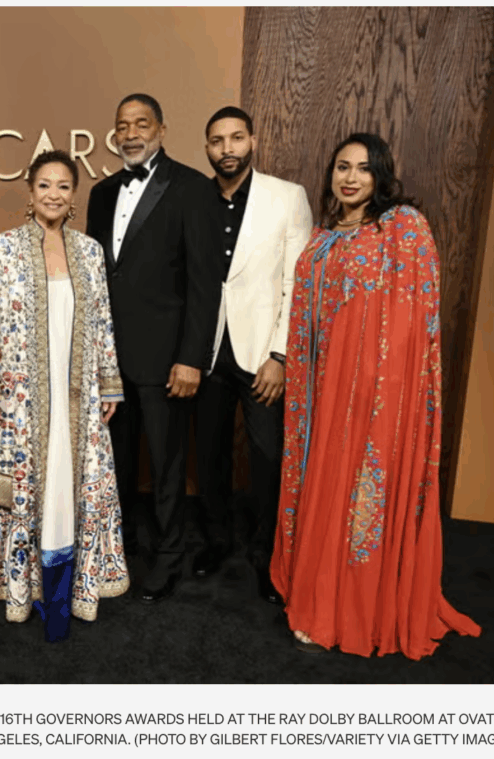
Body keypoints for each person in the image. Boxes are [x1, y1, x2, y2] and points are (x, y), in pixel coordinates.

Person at [271, 132, 481, 658]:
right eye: (342, 166)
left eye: (363, 168)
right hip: (322, 396)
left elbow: (417, 320)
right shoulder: (322, 237)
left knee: (358, 494)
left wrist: (382, 390)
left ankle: (349, 609)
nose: (350, 177)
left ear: (381, 174)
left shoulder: (402, 227)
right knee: (324, 487)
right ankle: (316, 596)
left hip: (376, 395)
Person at [0, 150, 127, 641]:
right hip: (18, 399)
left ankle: (68, 593)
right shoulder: (1, 250)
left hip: (78, 394)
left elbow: (102, 320)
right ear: (30, 192)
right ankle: (22, 590)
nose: (53, 194)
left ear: (73, 196)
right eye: (44, 185)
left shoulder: (89, 251)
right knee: (21, 488)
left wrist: (109, 381)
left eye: (63, 186)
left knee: (70, 484)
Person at [85, 93, 224, 603]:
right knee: (115, 464)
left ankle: (169, 558)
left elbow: (205, 283)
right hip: (109, 361)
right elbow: (96, 279)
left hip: (167, 360)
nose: (131, 133)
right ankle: (116, 551)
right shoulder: (101, 193)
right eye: (122, 125)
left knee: (167, 468)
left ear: (161, 129)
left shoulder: (192, 188)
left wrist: (191, 358)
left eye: (141, 124)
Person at [192, 107, 313, 604]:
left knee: (267, 458)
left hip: (263, 352)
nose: (228, 149)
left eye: (236, 138)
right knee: (210, 455)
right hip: (206, 351)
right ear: (207, 147)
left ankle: (266, 558)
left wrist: (280, 356)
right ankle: (217, 542)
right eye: (217, 140)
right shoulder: (194, 197)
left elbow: (297, 283)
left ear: (253, 141)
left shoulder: (287, 197)